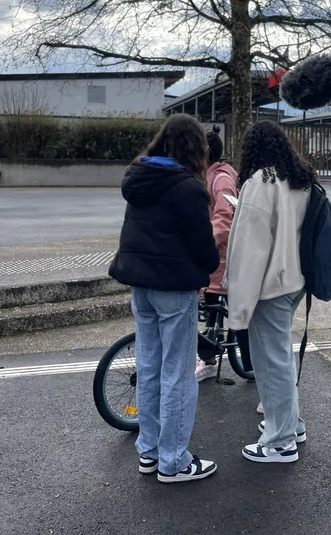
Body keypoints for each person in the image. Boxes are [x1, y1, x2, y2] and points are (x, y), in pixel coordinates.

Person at [108, 113, 221, 484]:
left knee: (151, 367)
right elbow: (204, 250)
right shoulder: (186, 187)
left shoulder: (140, 178)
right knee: (177, 374)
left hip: (139, 287)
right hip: (174, 290)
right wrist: (208, 267)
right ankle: (174, 461)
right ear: (195, 148)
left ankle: (150, 451)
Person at [225, 121, 313, 464]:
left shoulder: (261, 182)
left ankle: (280, 441)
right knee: (281, 357)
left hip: (269, 285)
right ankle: (292, 425)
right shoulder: (300, 178)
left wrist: (239, 309)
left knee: (271, 362)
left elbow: (250, 249)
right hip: (294, 280)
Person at [195, 126, 245, 382]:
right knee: (212, 309)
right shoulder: (209, 175)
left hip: (221, 257)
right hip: (214, 258)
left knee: (216, 308)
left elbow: (224, 218)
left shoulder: (222, 178)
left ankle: (209, 359)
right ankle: (208, 357)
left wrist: (206, 244)